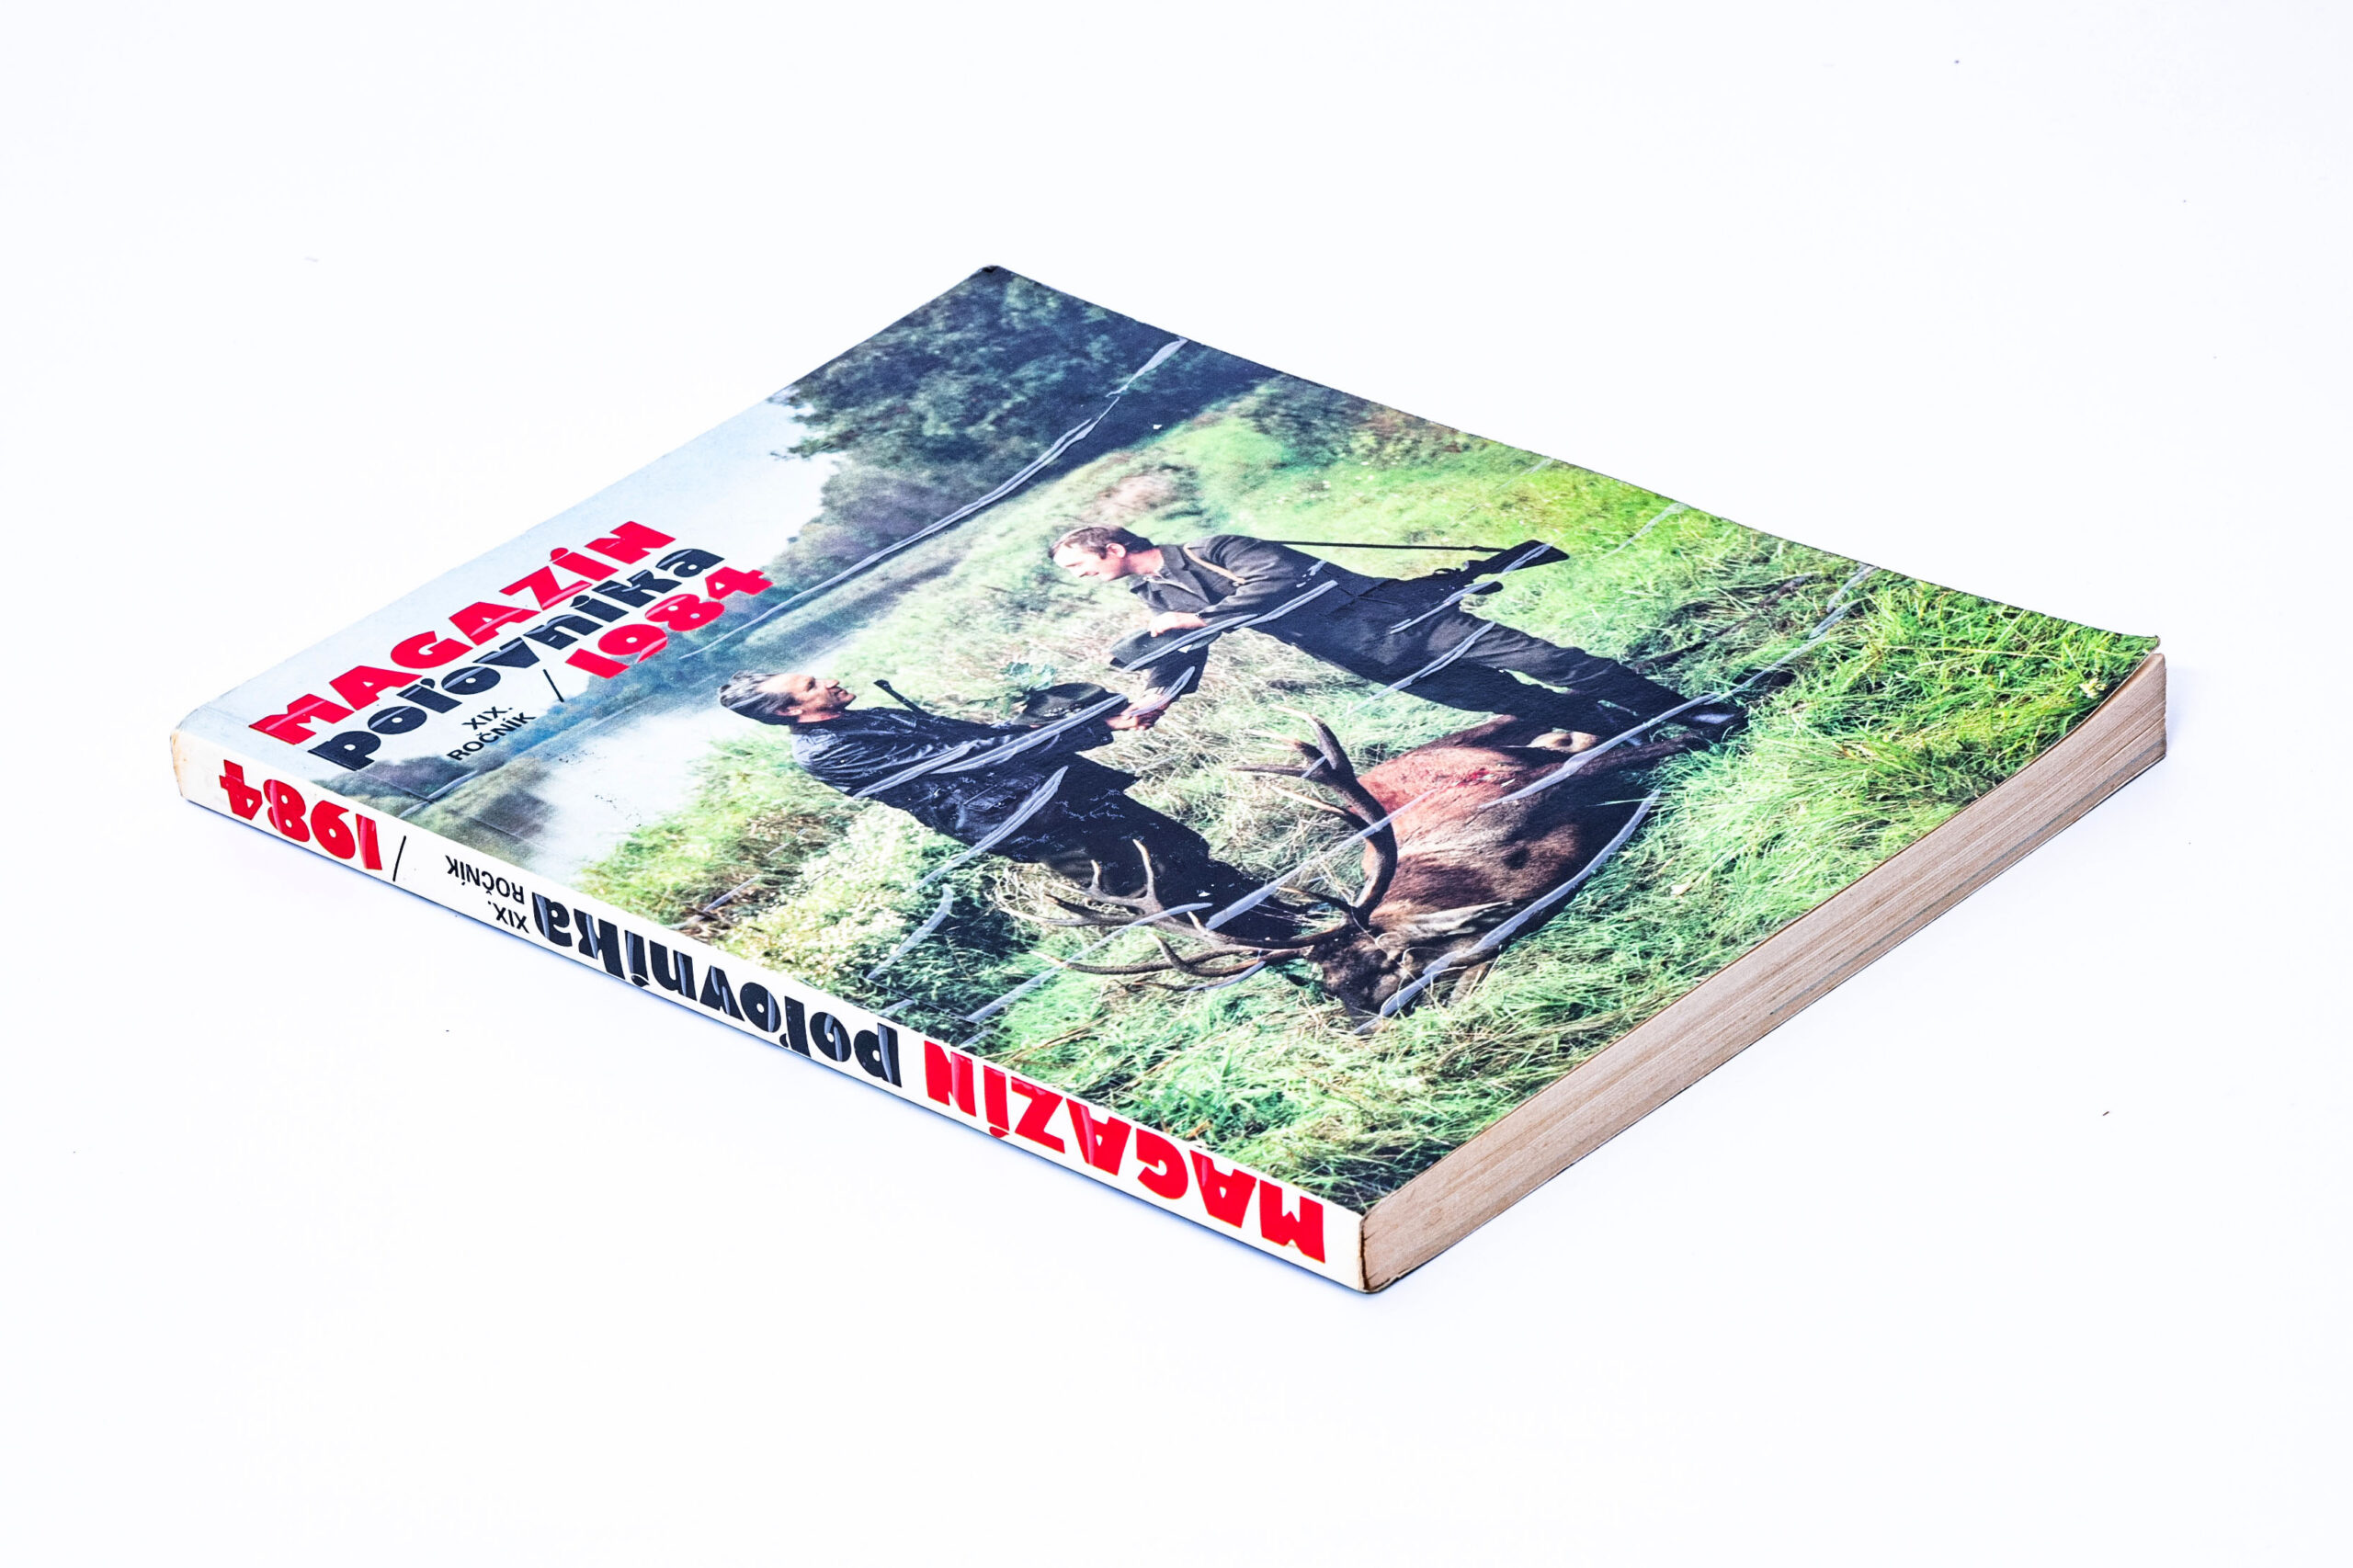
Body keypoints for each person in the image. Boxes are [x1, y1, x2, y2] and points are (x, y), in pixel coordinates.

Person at [716, 671, 1294, 936]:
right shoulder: (827, 751)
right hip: (1026, 821)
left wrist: (1099, 721)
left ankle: (1290, 917)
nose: (828, 682)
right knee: (1152, 884)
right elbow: (971, 756)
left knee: (1182, 848)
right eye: (811, 687)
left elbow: (979, 733)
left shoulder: (858, 717)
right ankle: (1273, 945)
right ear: (789, 712)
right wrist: (1093, 728)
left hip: (1057, 791)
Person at [1049, 526, 1743, 742]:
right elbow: (1182, 650)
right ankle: (1637, 732)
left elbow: (1279, 581)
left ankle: (1691, 713)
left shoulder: (1215, 549)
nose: (1082, 576)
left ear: (1111, 547)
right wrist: (1158, 699)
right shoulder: (1154, 594)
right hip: (1361, 654)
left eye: (1081, 565)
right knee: (1515, 701)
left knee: (1557, 662)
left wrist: (1201, 618)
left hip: (1403, 618)